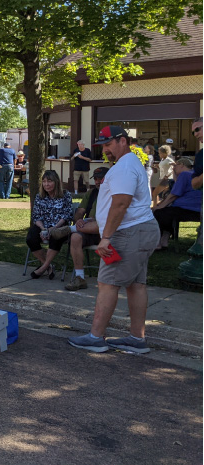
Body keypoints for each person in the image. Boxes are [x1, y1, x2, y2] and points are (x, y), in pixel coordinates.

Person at [68, 126, 161, 354]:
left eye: (109, 145)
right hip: (141, 230)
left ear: (123, 141)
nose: (106, 150)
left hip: (127, 233)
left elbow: (120, 204)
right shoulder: (130, 164)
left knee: (107, 283)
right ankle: (136, 339)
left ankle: (96, 337)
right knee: (136, 284)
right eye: (103, 146)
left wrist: (106, 237)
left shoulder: (124, 167)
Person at [49, 167, 109, 291]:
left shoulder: (114, 194)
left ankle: (70, 229)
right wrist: (79, 220)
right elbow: (79, 212)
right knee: (76, 237)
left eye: (101, 178)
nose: (97, 182)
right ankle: (80, 278)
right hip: (88, 229)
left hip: (108, 231)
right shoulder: (91, 193)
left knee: (102, 224)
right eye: (96, 179)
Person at [26, 170, 74, 279]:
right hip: (43, 226)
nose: (46, 184)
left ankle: (43, 268)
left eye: (49, 181)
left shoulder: (65, 195)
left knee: (56, 236)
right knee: (31, 238)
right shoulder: (40, 196)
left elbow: (67, 215)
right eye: (44, 181)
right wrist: (43, 229)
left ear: (56, 182)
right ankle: (48, 265)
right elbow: (36, 216)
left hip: (59, 226)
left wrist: (54, 228)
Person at [152, 157, 201, 250]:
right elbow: (177, 184)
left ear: (181, 165)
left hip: (187, 208)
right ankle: (164, 240)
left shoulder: (185, 174)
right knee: (166, 212)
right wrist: (175, 172)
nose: (173, 168)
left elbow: (173, 195)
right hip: (198, 209)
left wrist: (159, 206)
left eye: (175, 165)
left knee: (159, 213)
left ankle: (158, 242)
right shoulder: (195, 174)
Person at [191, 118, 202, 191]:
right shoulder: (200, 155)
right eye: (193, 132)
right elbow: (194, 184)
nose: (195, 134)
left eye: (197, 129)